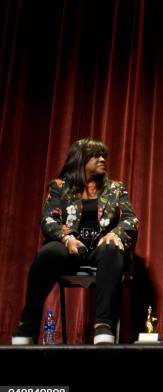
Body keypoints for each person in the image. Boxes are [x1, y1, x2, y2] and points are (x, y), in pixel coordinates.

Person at [12, 139, 139, 345]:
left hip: (101, 250)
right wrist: (67, 237)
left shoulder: (116, 189)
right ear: (80, 160)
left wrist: (115, 233)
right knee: (49, 253)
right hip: (69, 247)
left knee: (111, 249)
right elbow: (48, 219)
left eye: (103, 156)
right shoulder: (59, 187)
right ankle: (27, 323)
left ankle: (103, 324)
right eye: (95, 155)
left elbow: (130, 219)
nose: (102, 159)